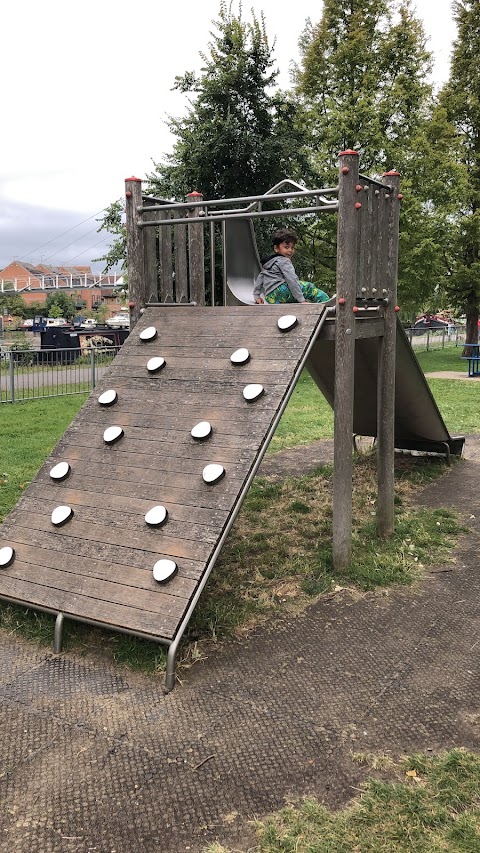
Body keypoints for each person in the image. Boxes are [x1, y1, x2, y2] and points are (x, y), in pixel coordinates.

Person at [253, 228, 329, 305]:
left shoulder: (268, 263)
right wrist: (301, 300)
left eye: (292, 247)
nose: (290, 250)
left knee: (292, 296)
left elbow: (260, 277)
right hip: (282, 291)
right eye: (286, 247)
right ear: (276, 248)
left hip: (270, 297)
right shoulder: (284, 260)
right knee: (308, 287)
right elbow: (292, 279)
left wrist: (256, 296)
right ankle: (326, 301)